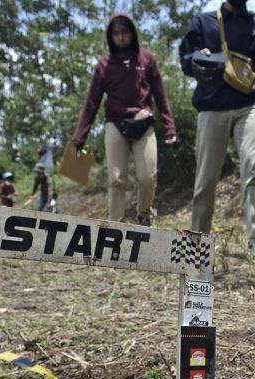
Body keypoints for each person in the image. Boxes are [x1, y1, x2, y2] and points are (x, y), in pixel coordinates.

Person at [179, 0, 255, 261]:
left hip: (248, 106)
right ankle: (197, 245)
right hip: (211, 108)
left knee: (254, 169)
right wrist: (199, 58)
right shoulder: (204, 22)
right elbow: (185, 58)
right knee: (205, 179)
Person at [72, 13, 177, 226]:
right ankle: (115, 226)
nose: (121, 37)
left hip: (144, 123)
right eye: (116, 33)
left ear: (132, 33)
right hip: (115, 124)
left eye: (124, 32)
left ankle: (145, 214)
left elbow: (160, 94)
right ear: (111, 36)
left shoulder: (147, 59)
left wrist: (169, 126)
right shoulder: (104, 64)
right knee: (116, 180)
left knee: (147, 177)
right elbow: (92, 101)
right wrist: (79, 139)